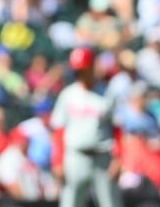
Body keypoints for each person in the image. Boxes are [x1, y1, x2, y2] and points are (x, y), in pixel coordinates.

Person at [50, 46, 124, 207]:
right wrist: (57, 162)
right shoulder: (68, 95)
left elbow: (117, 128)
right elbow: (58, 131)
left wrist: (118, 159)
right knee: (70, 203)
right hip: (75, 157)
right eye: (78, 70)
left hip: (103, 158)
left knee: (111, 203)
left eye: (84, 69)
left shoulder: (107, 93)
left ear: (92, 67)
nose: (80, 74)